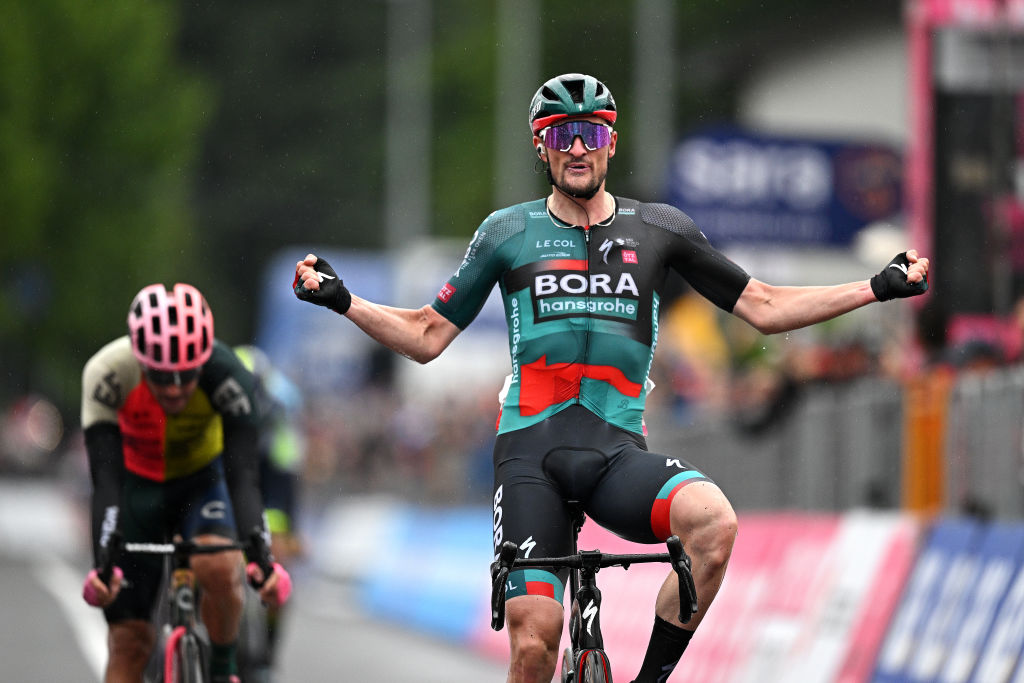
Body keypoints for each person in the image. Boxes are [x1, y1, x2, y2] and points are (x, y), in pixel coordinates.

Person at [293, 73, 930, 683]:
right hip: (530, 458)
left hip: (616, 454)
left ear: (611, 144)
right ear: (539, 146)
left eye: (591, 134)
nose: (577, 146)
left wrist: (874, 287)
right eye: (561, 133)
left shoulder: (659, 229)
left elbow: (763, 306)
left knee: (715, 528)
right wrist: (344, 300)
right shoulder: (507, 232)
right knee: (536, 642)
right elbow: (428, 335)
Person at [80, 283, 292, 683]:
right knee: (128, 643)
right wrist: (103, 566)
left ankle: (223, 667)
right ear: (140, 361)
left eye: (186, 375)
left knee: (218, 564)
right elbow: (104, 482)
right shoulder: (107, 373)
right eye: (161, 376)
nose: (175, 388)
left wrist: (262, 561)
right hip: (136, 486)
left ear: (204, 360)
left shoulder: (229, 374)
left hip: (201, 483)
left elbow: (244, 477)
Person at [233, 344, 306, 682]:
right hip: (226, 480)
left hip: (267, 486)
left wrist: (286, 534)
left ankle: (266, 656)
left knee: (278, 564)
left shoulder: (278, 415)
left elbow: (286, 483)